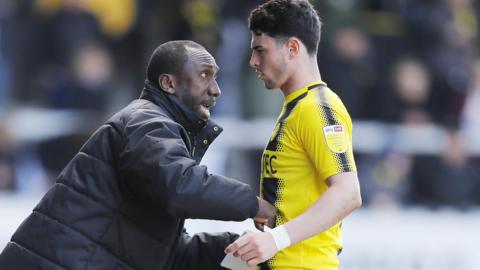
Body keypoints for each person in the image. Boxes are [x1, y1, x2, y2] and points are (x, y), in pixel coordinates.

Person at [0, 40, 276, 270]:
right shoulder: (147, 121)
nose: (216, 89)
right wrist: (254, 204)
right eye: (204, 75)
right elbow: (180, 186)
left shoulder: (155, 128)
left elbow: (165, 254)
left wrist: (239, 247)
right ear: (168, 83)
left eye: (215, 76)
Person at [225, 1, 362, 269]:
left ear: (292, 48)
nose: (253, 60)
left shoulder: (318, 108)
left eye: (260, 50)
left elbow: (348, 193)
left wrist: (276, 238)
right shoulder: (298, 107)